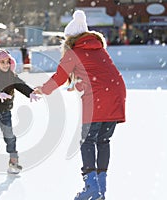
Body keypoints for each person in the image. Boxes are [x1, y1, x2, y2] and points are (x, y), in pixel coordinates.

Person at [34, 10, 126, 200]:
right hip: (117, 93)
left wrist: (43, 89)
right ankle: (101, 187)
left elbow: (60, 76)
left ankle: (91, 186)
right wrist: (80, 84)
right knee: (103, 140)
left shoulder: (74, 52)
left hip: (101, 97)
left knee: (87, 140)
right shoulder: (99, 48)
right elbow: (101, 75)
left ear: (70, 39)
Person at [0, 44, 40, 175]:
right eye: (2, 62)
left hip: (5, 110)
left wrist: (30, 92)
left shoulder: (11, 75)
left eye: (7, 62)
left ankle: (13, 162)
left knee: (10, 136)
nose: (5, 64)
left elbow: (20, 85)